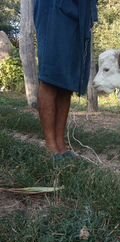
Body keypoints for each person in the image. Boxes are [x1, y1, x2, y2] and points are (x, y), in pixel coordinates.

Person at [33, 0, 98, 160]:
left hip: (79, 10)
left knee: (67, 80)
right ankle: (50, 146)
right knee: (50, 77)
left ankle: (61, 145)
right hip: (53, 8)